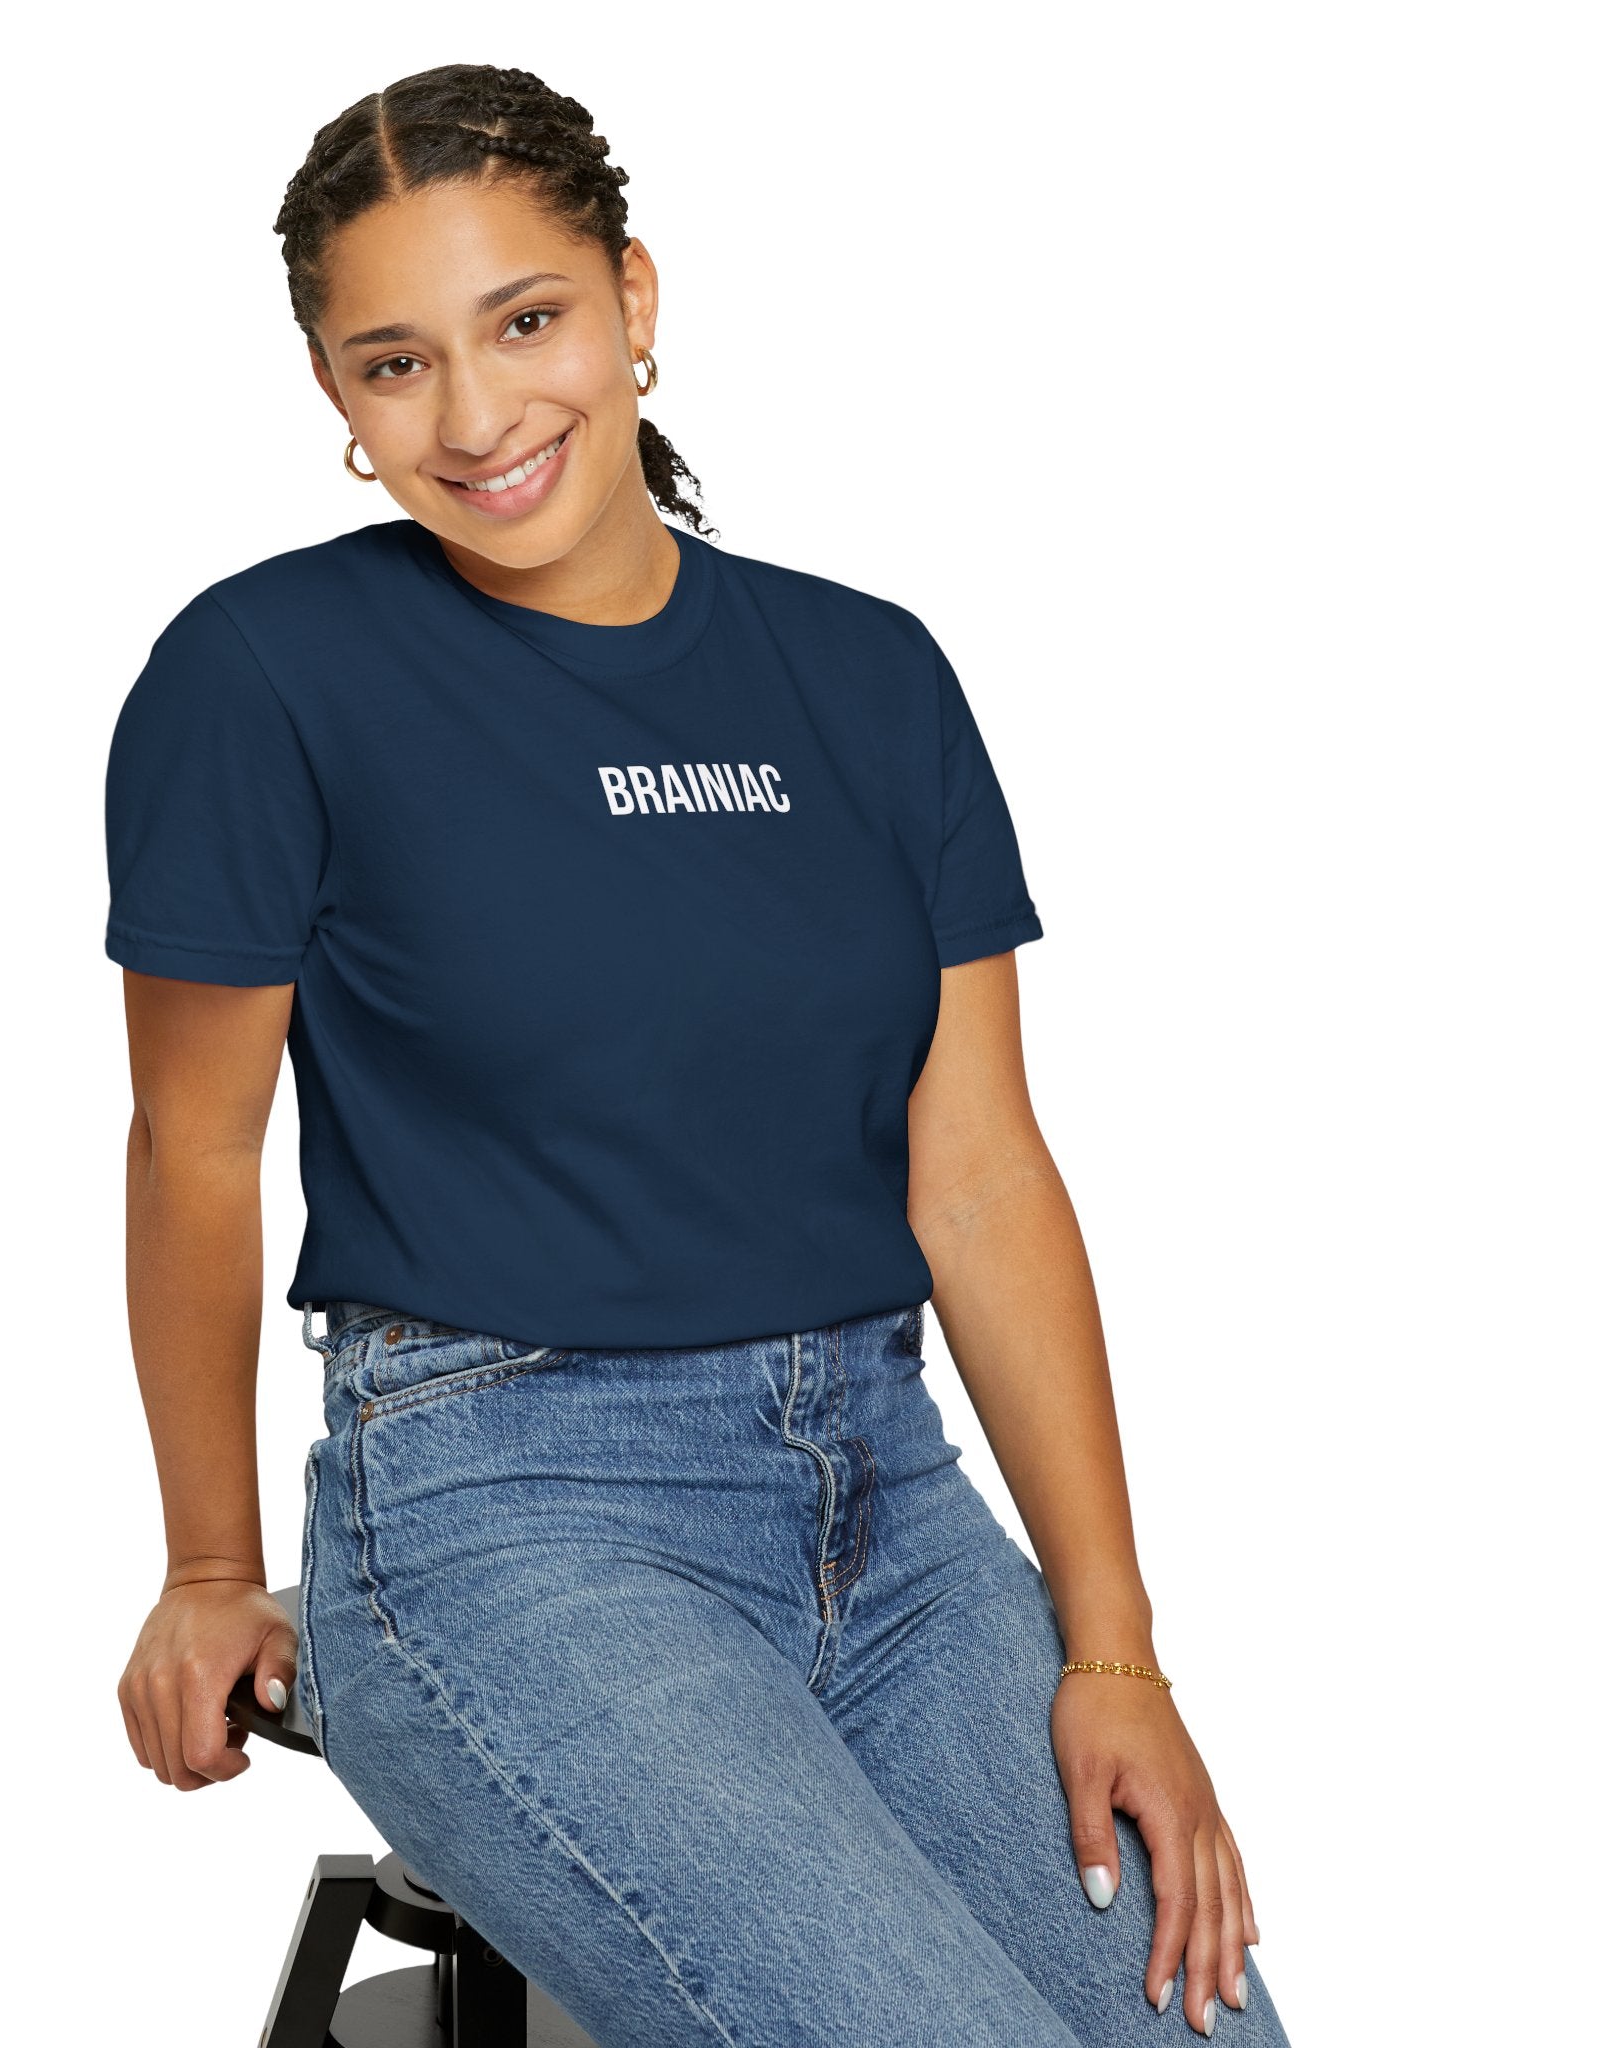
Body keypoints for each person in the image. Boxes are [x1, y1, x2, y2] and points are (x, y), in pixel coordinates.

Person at [103, 61, 1292, 2048]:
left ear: (633, 297)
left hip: (891, 1509)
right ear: (334, 394)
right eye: (394, 363)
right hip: (500, 1515)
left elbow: (979, 1171)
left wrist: (1114, 1651)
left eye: (526, 321)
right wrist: (210, 1559)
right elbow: (193, 1146)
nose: (474, 416)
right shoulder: (266, 673)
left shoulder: (867, 675)